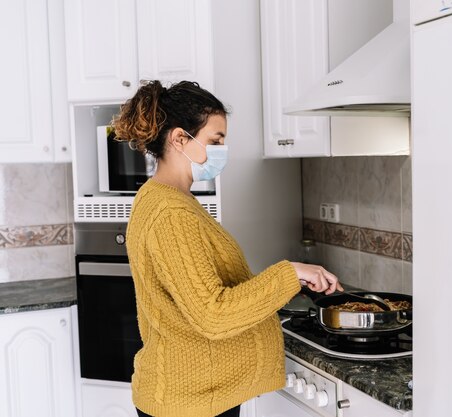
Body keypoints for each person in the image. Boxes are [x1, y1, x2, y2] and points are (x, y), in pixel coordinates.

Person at [114, 80, 343, 417]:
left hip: (197, 397)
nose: (222, 150)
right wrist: (289, 272)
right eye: (215, 140)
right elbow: (213, 315)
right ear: (179, 139)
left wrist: (291, 279)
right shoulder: (170, 213)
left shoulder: (167, 200)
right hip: (189, 404)